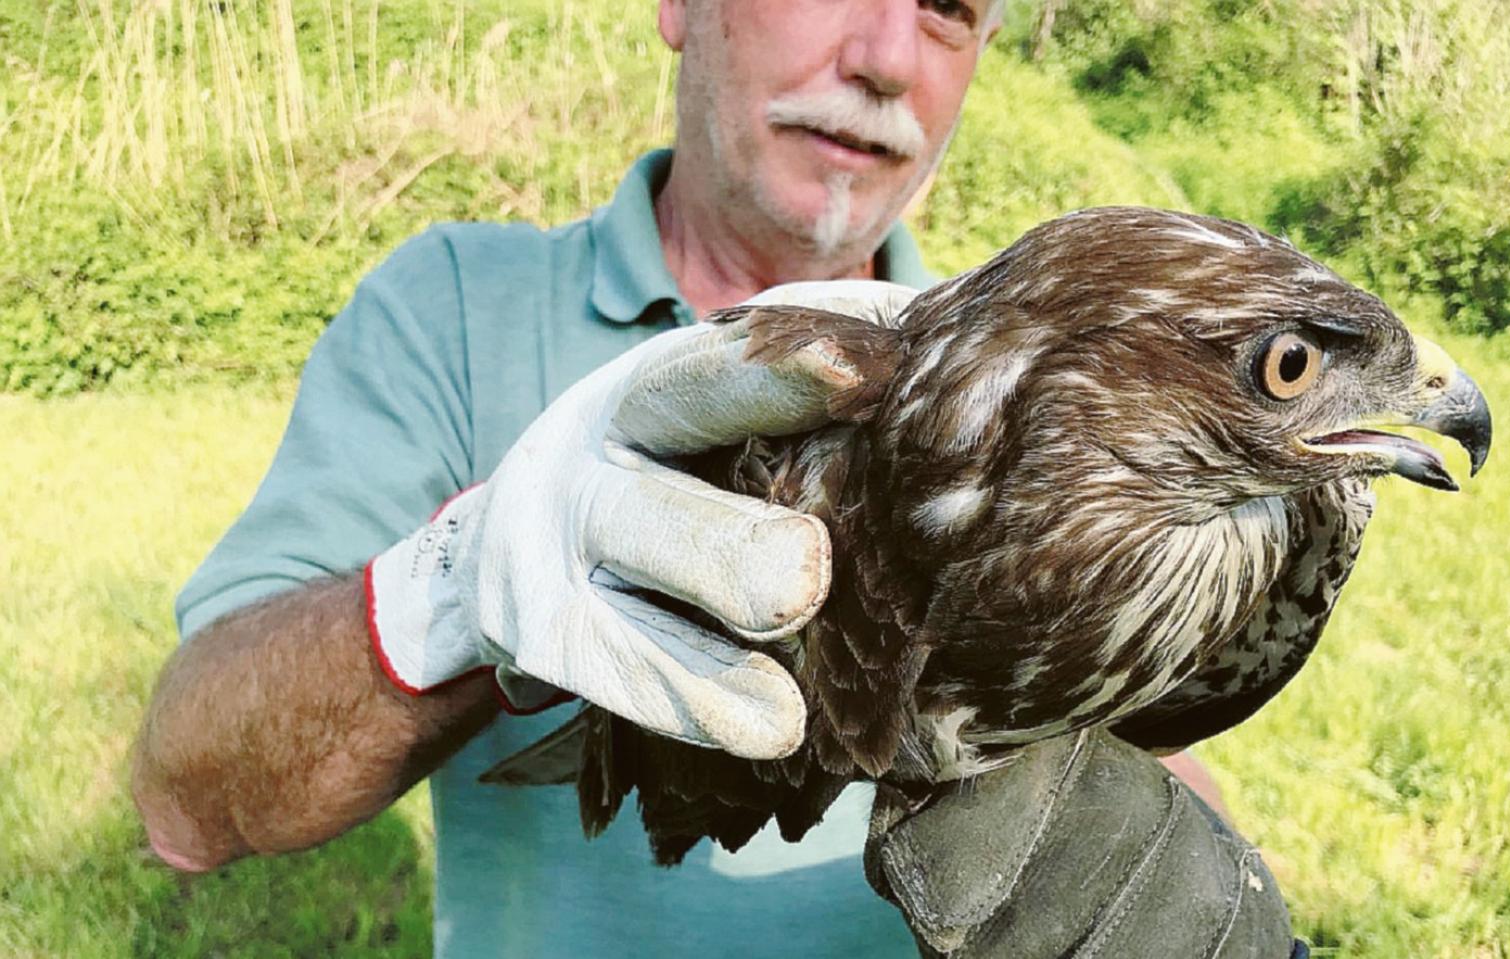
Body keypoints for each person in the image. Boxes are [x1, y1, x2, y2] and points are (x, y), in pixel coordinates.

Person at [131, 1, 1302, 955]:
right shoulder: (450, 309)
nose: (887, 57)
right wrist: (461, 579)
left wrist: (1209, 904)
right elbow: (184, 798)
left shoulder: (1085, 383)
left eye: (947, 9)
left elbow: (1116, 756)